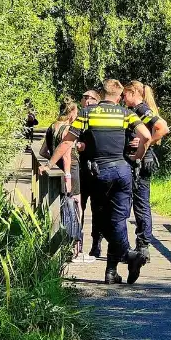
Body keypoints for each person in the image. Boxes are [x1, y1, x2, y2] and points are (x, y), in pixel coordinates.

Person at [48, 79, 151, 284]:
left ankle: (130, 255)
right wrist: (136, 156)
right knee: (118, 220)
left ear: (102, 94)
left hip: (99, 173)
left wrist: (49, 164)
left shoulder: (87, 114)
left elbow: (67, 141)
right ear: (120, 96)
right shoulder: (126, 114)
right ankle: (112, 271)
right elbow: (147, 136)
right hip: (123, 172)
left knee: (104, 220)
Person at [122, 81, 170, 260]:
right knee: (140, 204)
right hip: (140, 160)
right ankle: (141, 246)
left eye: (125, 94)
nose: (122, 98)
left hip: (142, 162)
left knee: (141, 205)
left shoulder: (142, 109)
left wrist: (146, 142)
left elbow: (162, 128)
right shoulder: (139, 110)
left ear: (134, 92)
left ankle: (143, 246)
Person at [41, 97, 85, 261]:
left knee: (60, 206)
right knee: (75, 206)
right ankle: (74, 247)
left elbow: (43, 152)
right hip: (71, 171)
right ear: (72, 112)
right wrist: (67, 176)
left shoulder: (52, 127)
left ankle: (62, 243)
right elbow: (66, 156)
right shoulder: (67, 129)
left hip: (56, 171)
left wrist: (53, 161)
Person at [78, 89, 104, 258]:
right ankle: (76, 242)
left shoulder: (102, 119)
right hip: (80, 168)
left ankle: (97, 243)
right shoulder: (78, 117)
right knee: (79, 206)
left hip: (96, 168)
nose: (87, 100)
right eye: (85, 97)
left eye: (91, 98)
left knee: (98, 209)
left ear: (98, 101)